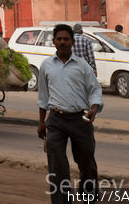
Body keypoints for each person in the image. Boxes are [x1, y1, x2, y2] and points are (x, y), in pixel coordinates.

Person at [37, 24, 103, 204]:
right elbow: (43, 97)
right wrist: (42, 122)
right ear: (54, 42)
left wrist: (94, 108)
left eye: (66, 39)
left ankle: (88, 197)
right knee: (57, 166)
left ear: (73, 42)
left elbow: (95, 90)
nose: (63, 42)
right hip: (56, 120)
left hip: (80, 120)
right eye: (59, 39)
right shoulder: (46, 66)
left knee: (87, 163)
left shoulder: (82, 66)